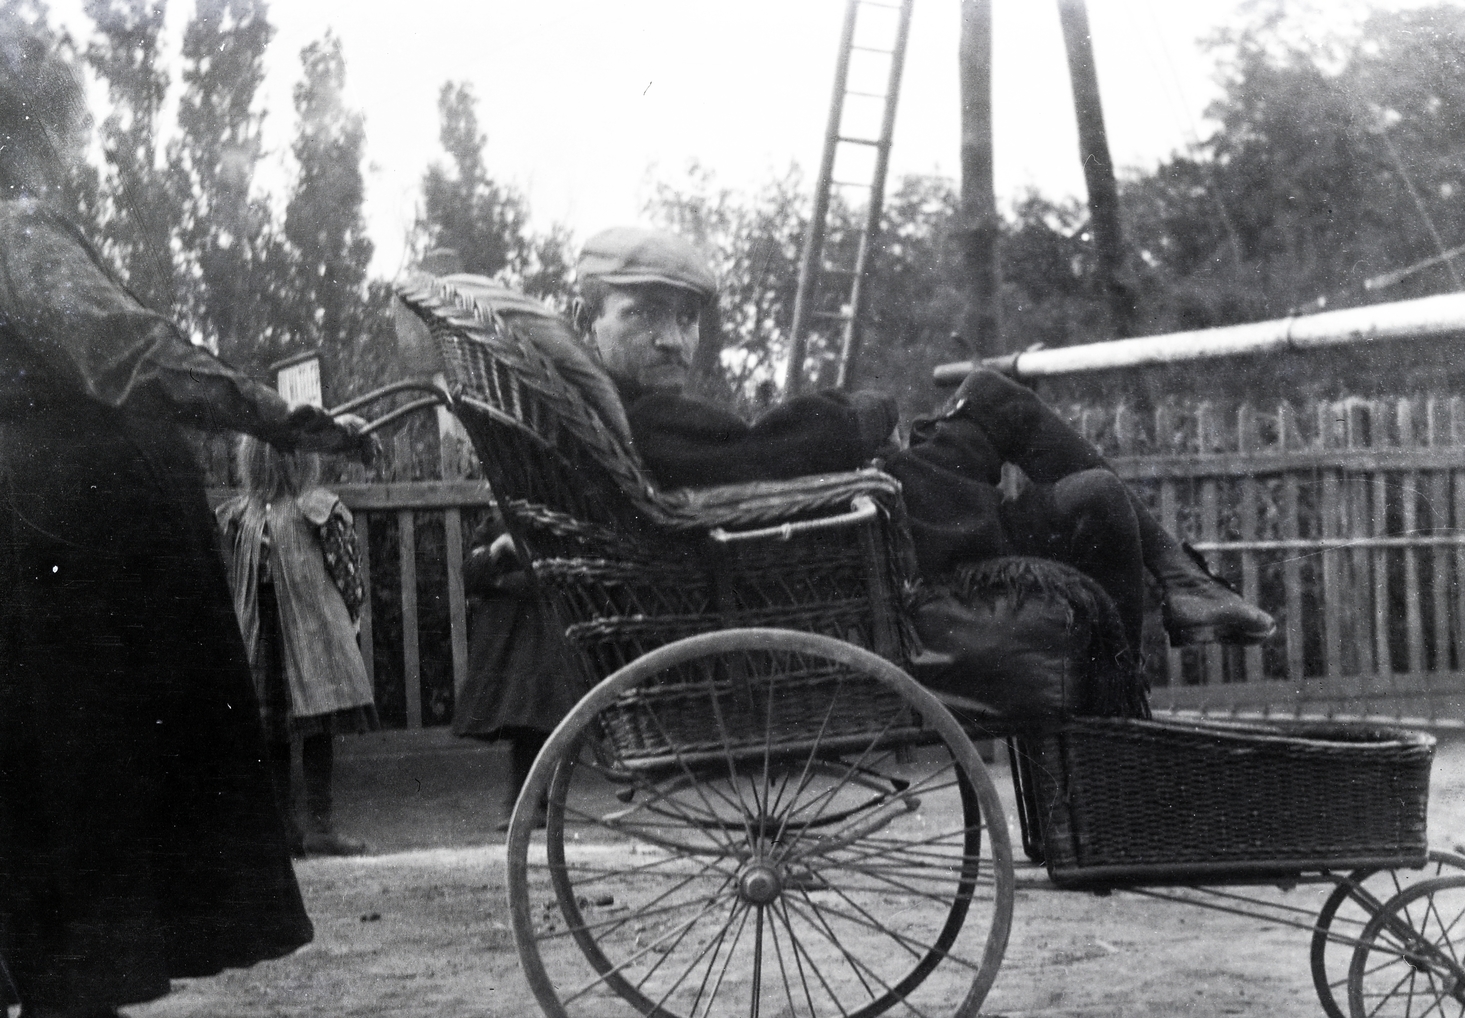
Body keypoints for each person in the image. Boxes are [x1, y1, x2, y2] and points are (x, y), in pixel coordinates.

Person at [0, 50, 368, 1018]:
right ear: (32, 130)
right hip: (62, 542)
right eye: (64, 128)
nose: (73, 150)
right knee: (87, 756)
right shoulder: (19, 228)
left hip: (40, 538)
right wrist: (277, 414)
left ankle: (53, 991)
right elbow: (127, 352)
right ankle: (67, 1004)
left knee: (32, 760)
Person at [570, 225, 1275, 659]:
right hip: (879, 543)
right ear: (587, 319)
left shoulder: (625, 414)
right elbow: (765, 460)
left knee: (1083, 486)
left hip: (892, 527)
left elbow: (750, 457)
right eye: (644, 316)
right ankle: (1180, 585)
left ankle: (1169, 611)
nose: (673, 338)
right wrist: (859, 416)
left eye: (686, 319)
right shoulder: (641, 418)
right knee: (1002, 404)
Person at [215, 439, 378, 856]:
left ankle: (287, 829)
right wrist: (352, 611)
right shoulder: (315, 509)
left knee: (275, 735)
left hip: (263, 635)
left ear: (249, 462)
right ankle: (317, 825)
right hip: (312, 634)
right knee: (315, 728)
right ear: (304, 459)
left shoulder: (245, 515)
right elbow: (347, 571)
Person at [453, 516, 577, 830]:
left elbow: (548, 577)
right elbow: (470, 575)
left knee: (536, 714)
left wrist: (500, 583)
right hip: (503, 640)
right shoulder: (491, 529)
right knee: (520, 717)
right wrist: (497, 549)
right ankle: (525, 802)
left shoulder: (544, 521)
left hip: (540, 632)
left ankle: (535, 801)